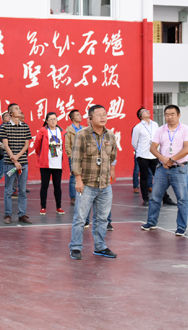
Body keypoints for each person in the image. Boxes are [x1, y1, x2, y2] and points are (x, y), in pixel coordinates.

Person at [69, 105, 117, 260]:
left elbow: (113, 155)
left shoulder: (110, 135)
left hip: (104, 184)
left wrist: (112, 170)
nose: (103, 117)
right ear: (90, 118)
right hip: (86, 184)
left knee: (102, 218)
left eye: (105, 114)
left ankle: (100, 247)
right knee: (80, 218)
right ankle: (75, 247)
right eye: (99, 115)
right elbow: (75, 159)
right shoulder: (82, 135)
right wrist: (78, 180)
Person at [142, 105, 188, 236]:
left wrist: (171, 160)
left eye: (172, 114)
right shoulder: (161, 130)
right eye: (167, 114)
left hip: (179, 169)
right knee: (155, 197)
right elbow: (153, 148)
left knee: (182, 200)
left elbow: (187, 148)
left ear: (178, 115)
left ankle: (181, 227)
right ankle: (151, 222)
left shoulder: (186, 130)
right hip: (162, 169)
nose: (169, 117)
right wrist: (164, 159)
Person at [1, 103, 32, 224]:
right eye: (16, 109)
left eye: (19, 108)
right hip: (9, 163)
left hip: (23, 163)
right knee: (8, 190)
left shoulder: (25, 126)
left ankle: (22, 214)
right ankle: (8, 214)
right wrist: (14, 160)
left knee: (22, 190)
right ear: (10, 113)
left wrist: (18, 158)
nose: (19, 110)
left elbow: (26, 145)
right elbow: (5, 145)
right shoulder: (5, 127)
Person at [34, 112, 64, 215]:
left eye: (55, 119)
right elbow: (37, 146)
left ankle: (59, 207)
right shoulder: (42, 131)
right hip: (46, 163)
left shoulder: (61, 131)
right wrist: (42, 155)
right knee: (44, 185)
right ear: (47, 121)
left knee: (57, 186)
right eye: (51, 119)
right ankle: (43, 207)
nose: (53, 121)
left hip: (58, 163)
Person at [131, 108, 159, 206]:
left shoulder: (155, 124)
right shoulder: (138, 127)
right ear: (140, 116)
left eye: (147, 110)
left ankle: (165, 197)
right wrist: (139, 151)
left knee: (159, 176)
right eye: (144, 111)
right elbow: (134, 143)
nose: (147, 111)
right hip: (143, 155)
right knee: (144, 176)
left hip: (154, 154)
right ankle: (145, 198)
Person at [63, 109, 82, 205]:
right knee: (74, 177)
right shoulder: (68, 130)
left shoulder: (84, 129)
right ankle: (73, 197)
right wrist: (72, 157)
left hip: (84, 158)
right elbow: (67, 146)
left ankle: (83, 195)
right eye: (78, 115)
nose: (80, 116)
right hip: (74, 158)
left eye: (80, 114)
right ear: (73, 118)